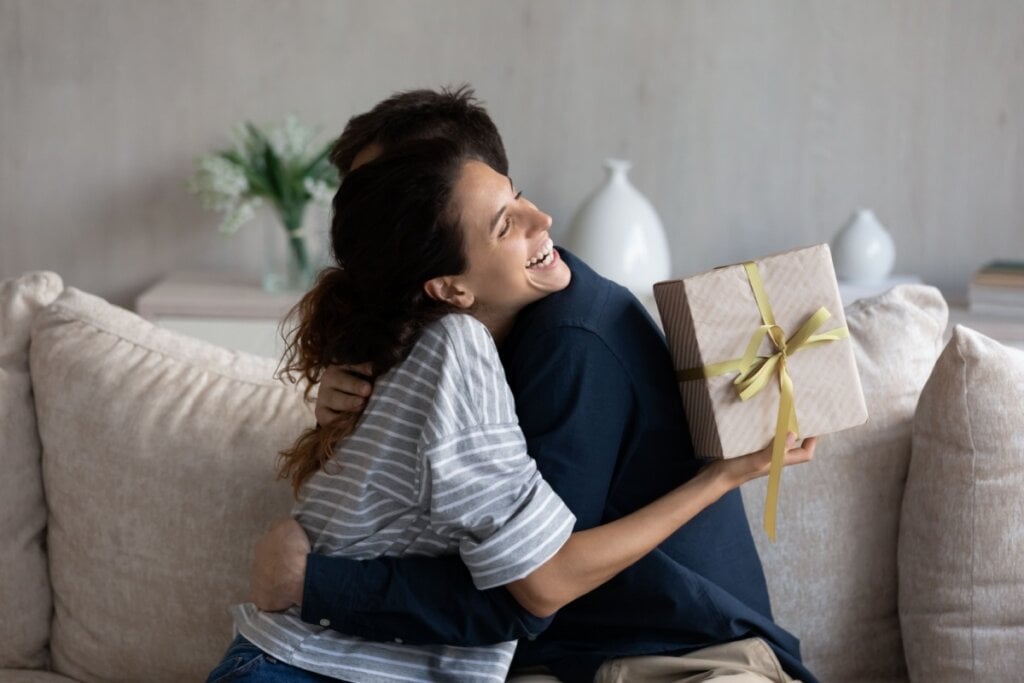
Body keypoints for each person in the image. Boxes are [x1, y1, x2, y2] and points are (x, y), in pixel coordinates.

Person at [250, 87, 820, 683]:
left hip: (688, 656)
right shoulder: (446, 341)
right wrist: (340, 417)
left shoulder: (571, 337)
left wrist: (314, 584)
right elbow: (393, 520)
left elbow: (533, 588)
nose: (543, 218)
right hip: (559, 663)